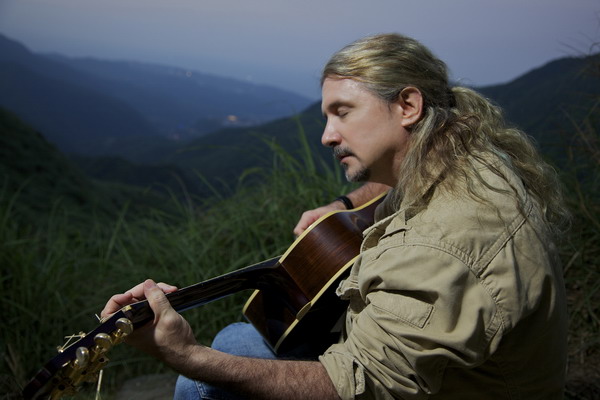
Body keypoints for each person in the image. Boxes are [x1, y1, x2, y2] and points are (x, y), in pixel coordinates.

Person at [101, 33, 569, 399]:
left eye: (342, 112)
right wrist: (344, 207)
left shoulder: (442, 243)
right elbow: (392, 181)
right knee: (239, 336)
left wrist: (188, 355)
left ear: (408, 106)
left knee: (203, 380)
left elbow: (358, 387)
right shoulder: (464, 155)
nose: (327, 135)